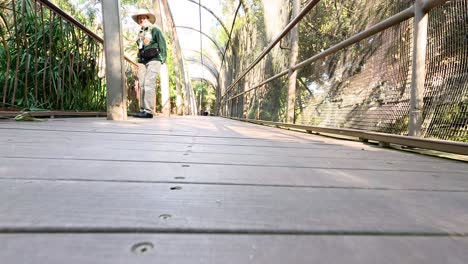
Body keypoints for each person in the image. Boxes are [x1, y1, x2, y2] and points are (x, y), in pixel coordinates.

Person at [131, 9, 167, 118]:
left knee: (149, 83)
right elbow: (140, 47)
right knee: (141, 84)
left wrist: (162, 59)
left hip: (154, 59)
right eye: (139, 18)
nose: (142, 20)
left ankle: (148, 111)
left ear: (148, 18)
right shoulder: (140, 33)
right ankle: (142, 110)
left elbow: (162, 44)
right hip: (143, 60)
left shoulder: (155, 29)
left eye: (144, 17)